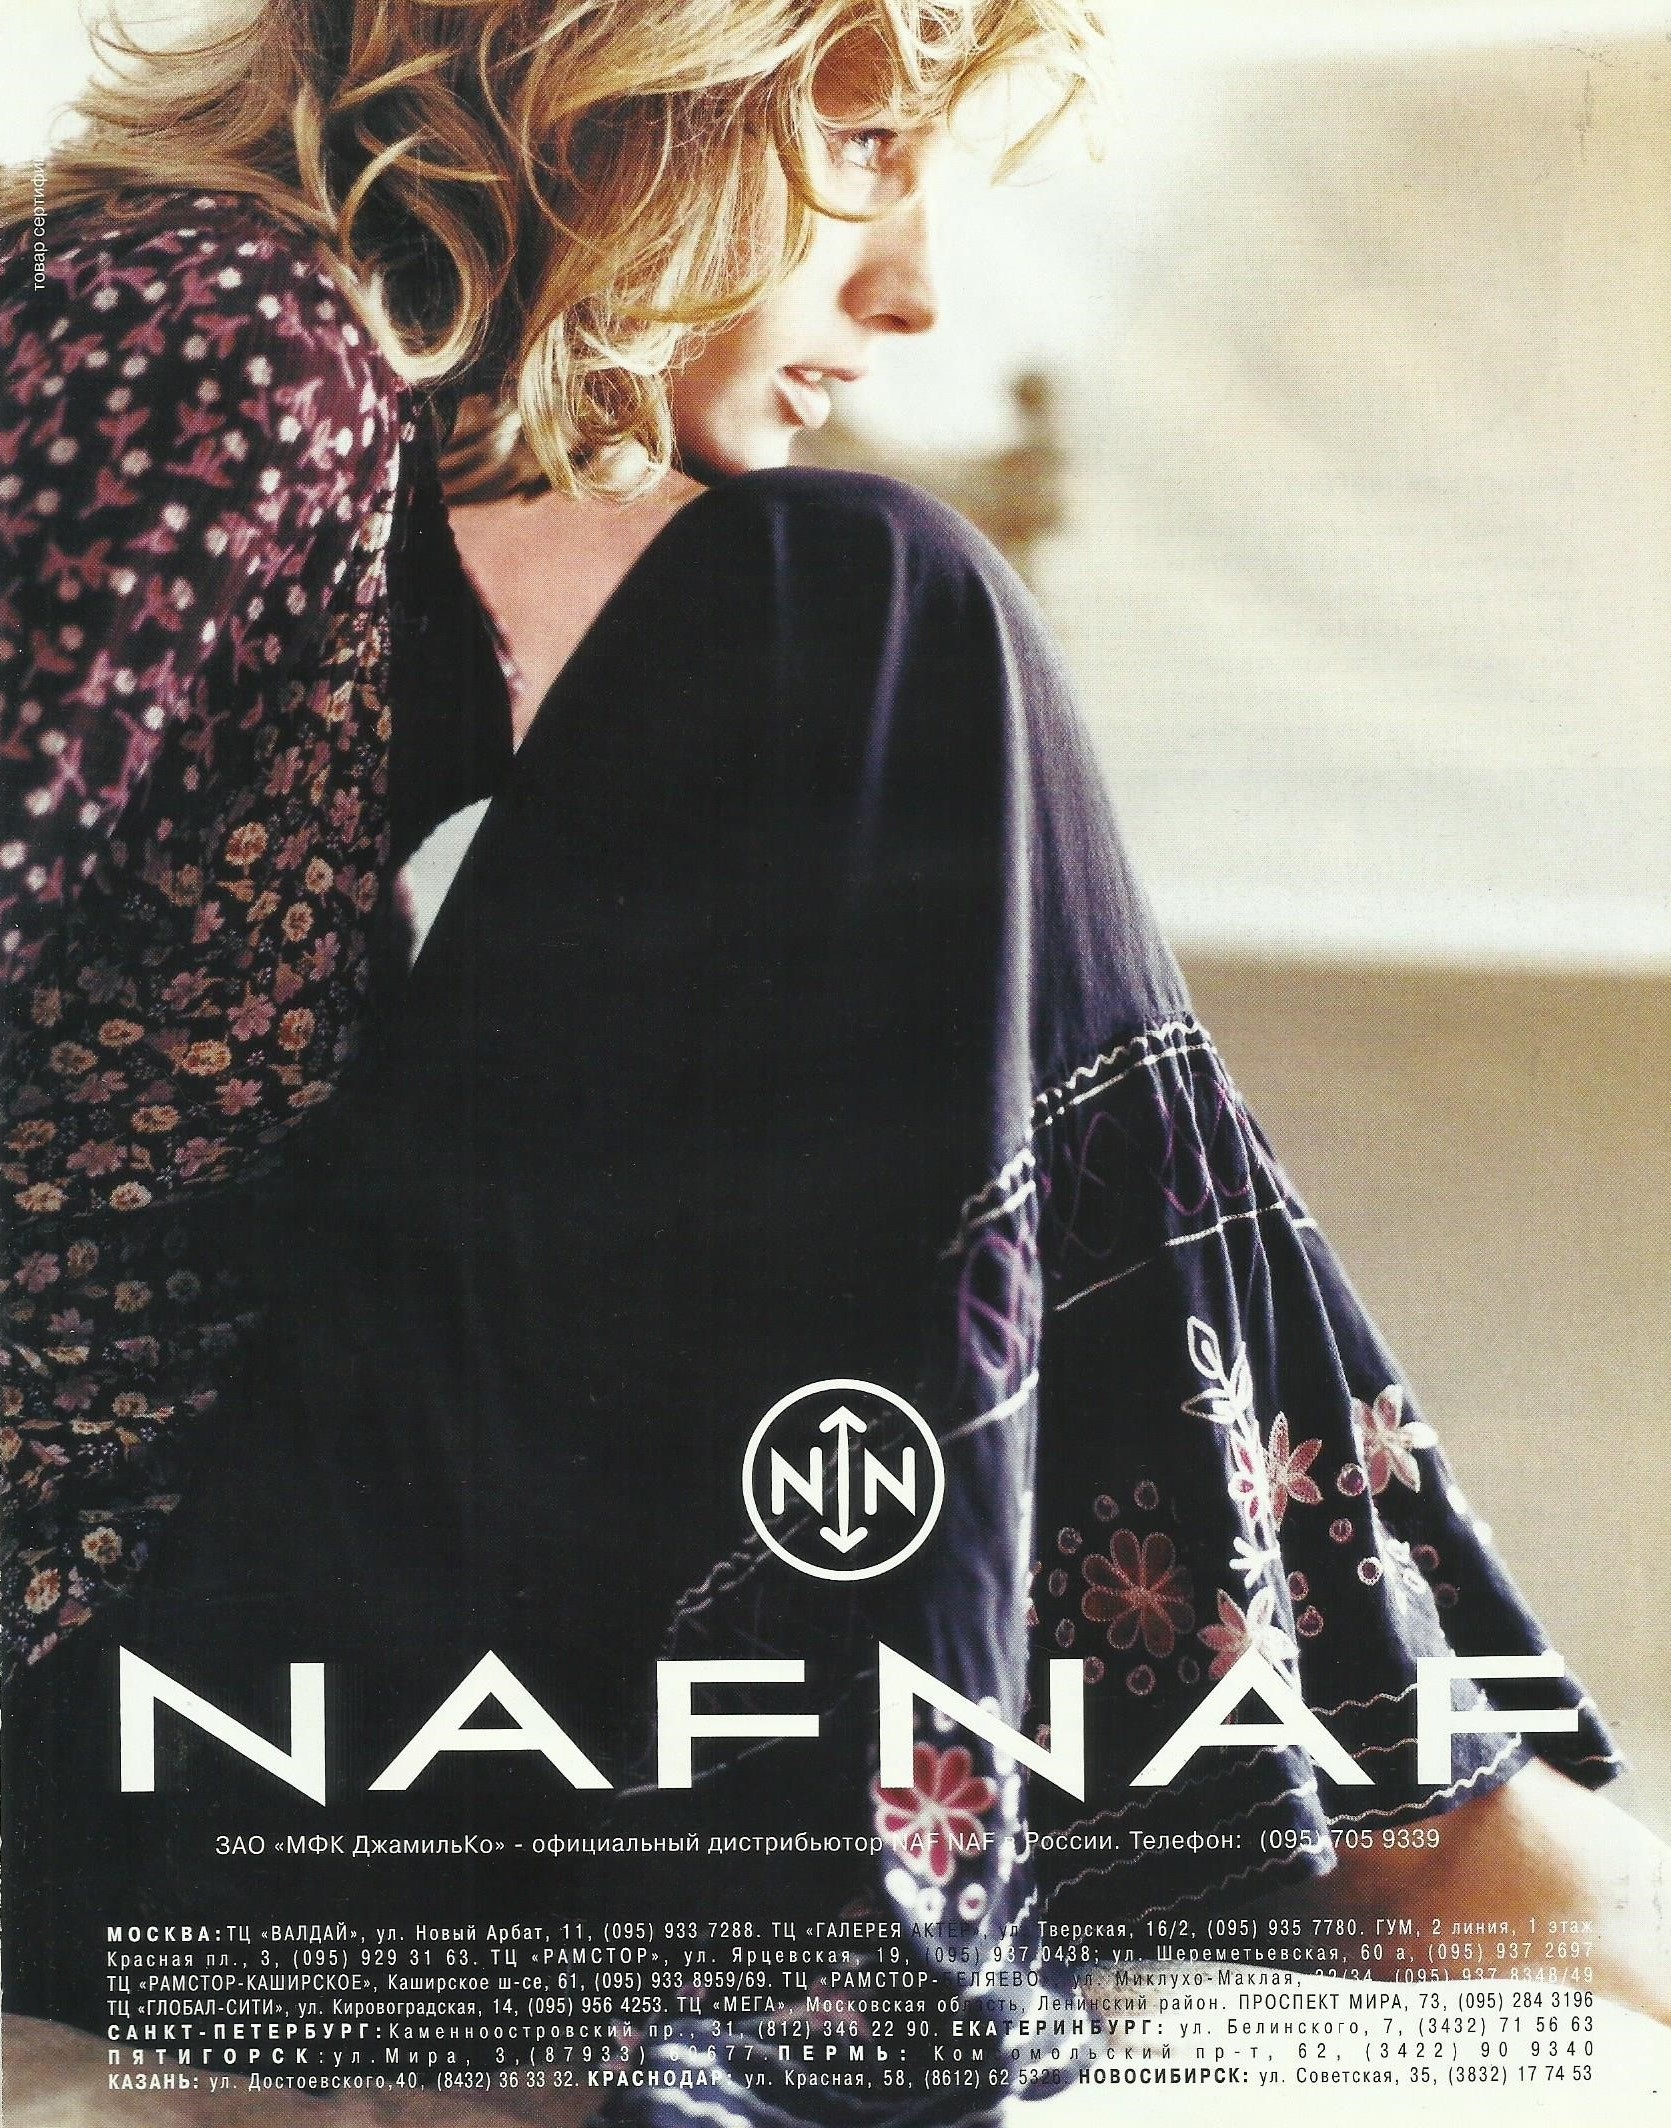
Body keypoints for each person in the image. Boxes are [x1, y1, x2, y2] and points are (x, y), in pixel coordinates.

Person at [3, 4, 1668, 2124]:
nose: (912, 295)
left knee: (844, 620)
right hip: (110, 1728)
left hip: (199, 1692)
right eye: (867, 143)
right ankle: (1396, 1809)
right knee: (851, 603)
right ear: (596, 67)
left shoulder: (280, 385)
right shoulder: (211, 337)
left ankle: (1393, 1802)